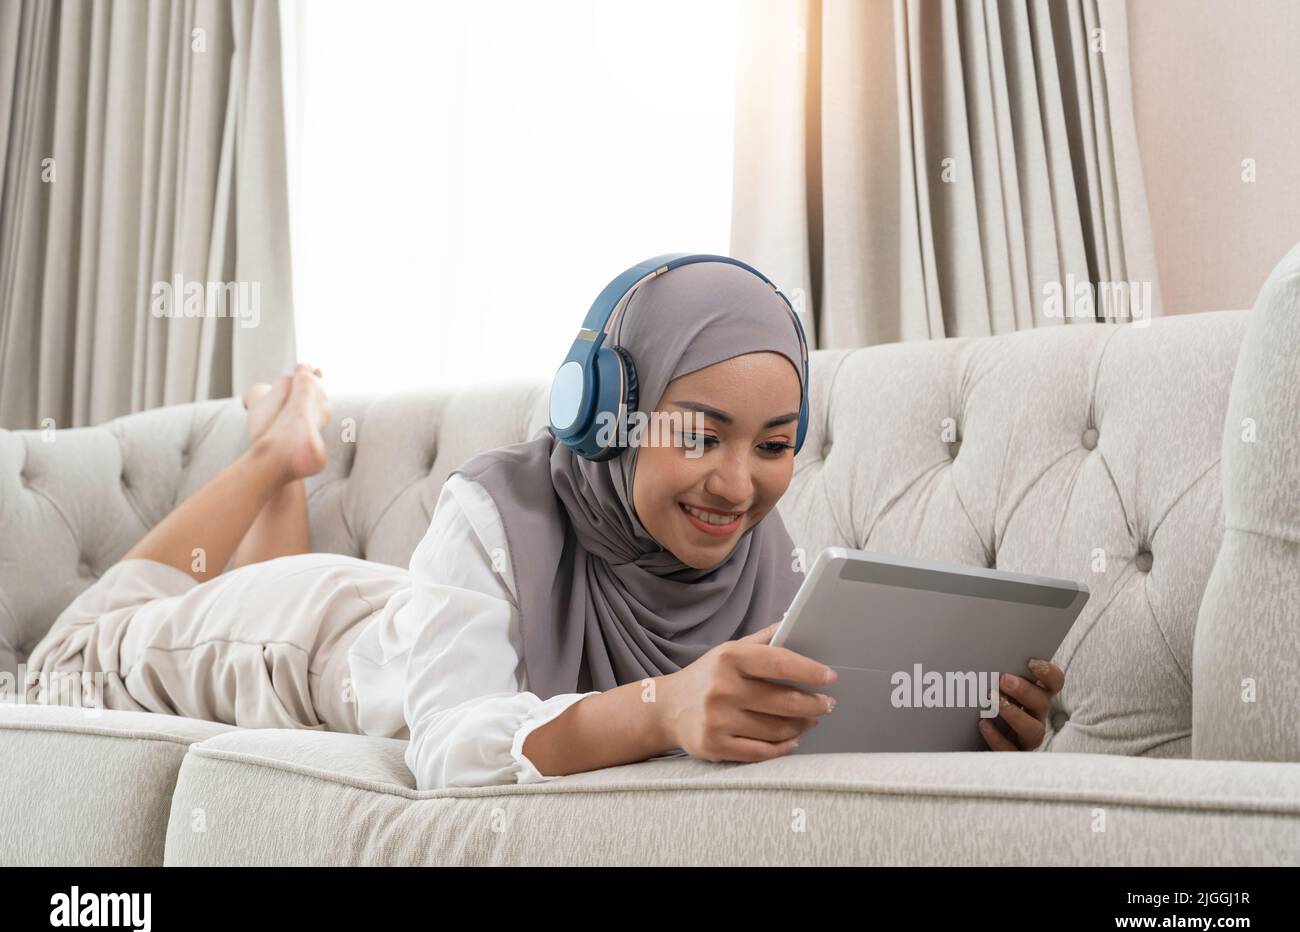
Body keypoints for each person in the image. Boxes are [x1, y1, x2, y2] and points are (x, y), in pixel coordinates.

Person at [26, 259, 1065, 789]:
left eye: (774, 441)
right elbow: (447, 748)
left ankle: (289, 466)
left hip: (396, 629)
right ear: (602, 407)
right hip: (285, 636)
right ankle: (274, 451)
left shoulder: (763, 557)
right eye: (700, 435)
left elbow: (775, 727)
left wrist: (955, 716)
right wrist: (658, 709)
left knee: (331, 618)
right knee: (78, 643)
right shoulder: (494, 508)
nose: (740, 484)